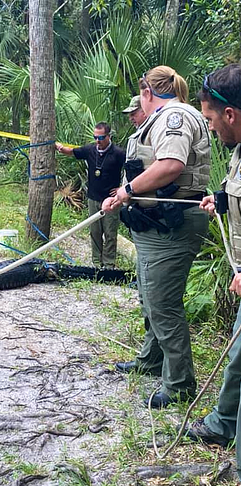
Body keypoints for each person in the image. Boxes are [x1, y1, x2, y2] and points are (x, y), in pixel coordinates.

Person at [103, 65, 211, 409]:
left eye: (140, 98)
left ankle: (179, 384)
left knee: (163, 303)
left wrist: (128, 190)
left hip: (174, 222)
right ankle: (151, 359)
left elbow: (170, 166)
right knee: (148, 295)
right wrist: (124, 193)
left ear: (147, 93)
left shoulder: (173, 117)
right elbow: (146, 172)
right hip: (153, 223)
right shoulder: (159, 118)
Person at [188, 63, 241, 486]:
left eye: (208, 118)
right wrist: (221, 199)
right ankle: (223, 425)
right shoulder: (239, 149)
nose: (207, 125)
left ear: (230, 114)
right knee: (237, 358)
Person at [57, 122, 126, 268]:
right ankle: (96, 263)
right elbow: (73, 152)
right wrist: (60, 148)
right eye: (95, 137)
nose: (97, 141)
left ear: (109, 136)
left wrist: (122, 188)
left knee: (110, 232)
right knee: (95, 231)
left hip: (111, 199)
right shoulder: (90, 149)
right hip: (93, 197)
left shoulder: (118, 153)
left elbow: (131, 169)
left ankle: (108, 264)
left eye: (101, 138)